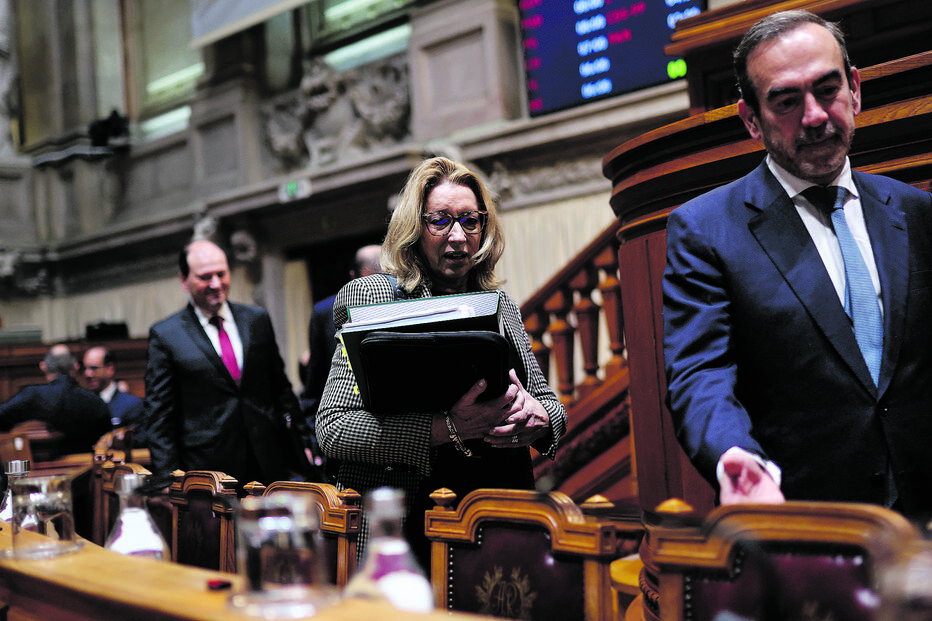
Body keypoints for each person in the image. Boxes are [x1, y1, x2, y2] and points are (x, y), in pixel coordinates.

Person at [662, 10, 932, 514]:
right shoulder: (706, 231)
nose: (814, 116)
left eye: (827, 89)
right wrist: (734, 457)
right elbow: (701, 377)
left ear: (855, 88)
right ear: (751, 119)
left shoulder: (916, 212)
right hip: (808, 528)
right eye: (786, 101)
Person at [316, 156, 567, 565]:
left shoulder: (500, 304)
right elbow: (333, 429)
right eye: (440, 221)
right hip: (410, 520)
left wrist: (539, 418)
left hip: (499, 515)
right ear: (415, 228)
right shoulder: (375, 297)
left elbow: (552, 408)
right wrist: (447, 428)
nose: (458, 236)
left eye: (470, 220)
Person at [143, 239, 312, 489]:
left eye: (221, 274)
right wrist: (169, 478)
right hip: (208, 467)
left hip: (268, 459)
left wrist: (303, 442)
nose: (215, 284)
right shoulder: (166, 334)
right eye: (205, 276)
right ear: (184, 280)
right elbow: (159, 414)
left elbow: (280, 388)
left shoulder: (256, 319)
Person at [0, 343, 111, 456]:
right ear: (76, 367)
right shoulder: (96, 402)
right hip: (87, 469)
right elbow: (106, 441)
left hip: (40, 470)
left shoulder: (32, 396)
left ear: (43, 367)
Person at [83, 345, 148, 445]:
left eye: (94, 368)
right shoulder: (82, 403)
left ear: (110, 369)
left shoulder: (132, 405)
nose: (87, 374)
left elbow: (140, 441)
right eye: (85, 368)